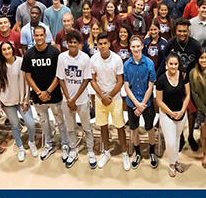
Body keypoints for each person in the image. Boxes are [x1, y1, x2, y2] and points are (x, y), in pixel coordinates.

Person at [22, 25, 67, 162]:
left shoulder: (54, 52)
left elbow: (59, 75)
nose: (40, 38)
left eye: (42, 35)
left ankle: (65, 144)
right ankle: (49, 144)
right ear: (33, 36)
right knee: (44, 122)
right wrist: (39, 92)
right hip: (38, 96)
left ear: (46, 36)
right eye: (37, 35)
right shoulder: (29, 54)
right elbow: (28, 76)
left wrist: (48, 91)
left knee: (60, 121)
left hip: (54, 95)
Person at [0, 41, 37, 162]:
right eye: (4, 50)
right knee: (15, 125)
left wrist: (26, 100)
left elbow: (27, 82)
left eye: (9, 48)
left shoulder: (21, 62)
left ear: (12, 49)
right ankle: (20, 147)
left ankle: (31, 142)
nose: (7, 51)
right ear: (1, 52)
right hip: (7, 102)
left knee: (31, 124)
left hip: (22, 100)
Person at [89, 32, 128, 170]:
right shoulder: (93, 59)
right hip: (100, 98)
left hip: (115, 98)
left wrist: (110, 96)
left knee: (119, 126)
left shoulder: (117, 59)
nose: (103, 46)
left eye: (105, 43)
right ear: (97, 45)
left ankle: (124, 153)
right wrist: (101, 96)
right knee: (103, 126)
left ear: (109, 44)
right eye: (100, 44)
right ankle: (106, 152)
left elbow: (120, 81)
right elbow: (92, 80)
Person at [56, 29, 94, 169]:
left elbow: (86, 80)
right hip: (67, 100)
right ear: (66, 44)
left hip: (82, 100)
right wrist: (68, 99)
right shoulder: (62, 57)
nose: (72, 45)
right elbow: (61, 79)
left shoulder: (85, 58)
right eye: (70, 42)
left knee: (87, 128)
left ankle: (90, 151)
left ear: (79, 44)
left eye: (74, 43)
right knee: (70, 128)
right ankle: (73, 151)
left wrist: (75, 99)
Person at [123, 35, 158, 169]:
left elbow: (151, 86)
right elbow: (126, 86)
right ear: (130, 48)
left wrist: (142, 104)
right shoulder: (126, 65)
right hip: (132, 104)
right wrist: (136, 104)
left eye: (138, 46)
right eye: (133, 47)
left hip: (146, 104)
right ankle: (137, 153)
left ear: (142, 46)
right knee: (134, 129)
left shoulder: (149, 63)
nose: (136, 49)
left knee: (149, 128)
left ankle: (152, 152)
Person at [156, 54, 190, 178]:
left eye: (176, 64)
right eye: (171, 64)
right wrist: (171, 113)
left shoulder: (183, 76)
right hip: (166, 115)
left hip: (181, 113)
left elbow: (187, 96)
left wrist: (181, 111)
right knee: (170, 142)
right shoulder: (161, 80)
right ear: (166, 64)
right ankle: (171, 164)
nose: (173, 66)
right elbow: (159, 101)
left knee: (177, 139)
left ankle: (175, 161)